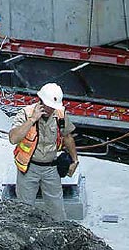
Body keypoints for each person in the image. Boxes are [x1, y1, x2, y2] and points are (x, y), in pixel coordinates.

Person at [9, 83, 79, 221]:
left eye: (54, 107)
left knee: (57, 211)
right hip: (29, 168)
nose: (51, 109)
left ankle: (58, 234)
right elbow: (13, 138)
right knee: (24, 211)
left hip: (51, 169)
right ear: (41, 101)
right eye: (49, 106)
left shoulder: (59, 114)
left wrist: (75, 160)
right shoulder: (26, 113)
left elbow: (68, 137)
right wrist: (32, 120)